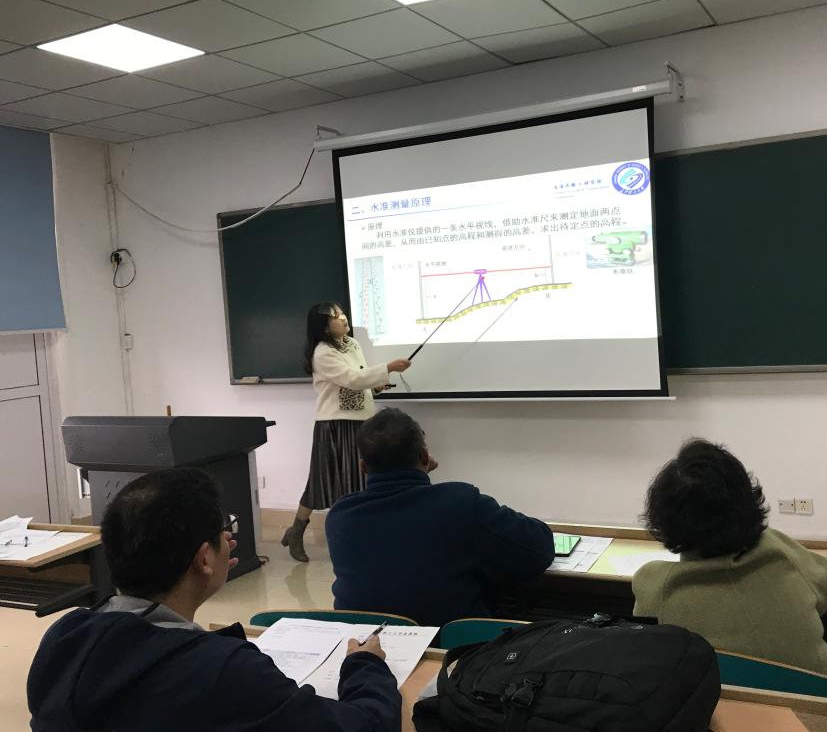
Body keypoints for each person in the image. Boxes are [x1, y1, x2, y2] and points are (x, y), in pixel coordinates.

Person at [27, 468, 401, 732]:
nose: (230, 540)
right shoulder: (226, 673)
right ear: (205, 558)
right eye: (225, 531)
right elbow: (365, 726)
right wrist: (365, 666)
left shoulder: (65, 638)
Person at [633, 438, 827, 676]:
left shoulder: (654, 585)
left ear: (664, 521)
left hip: (720, 698)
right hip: (817, 694)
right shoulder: (778, 550)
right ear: (746, 501)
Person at [326, 408, 555, 626]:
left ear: (363, 467)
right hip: (451, 647)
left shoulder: (340, 516)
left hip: (365, 645)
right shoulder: (461, 503)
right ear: (425, 456)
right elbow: (540, 549)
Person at [282, 302, 411, 562]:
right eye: (335, 316)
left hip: (361, 420)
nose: (343, 318)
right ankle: (297, 531)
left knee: (359, 481)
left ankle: (360, 535)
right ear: (324, 327)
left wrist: (376, 386)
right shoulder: (323, 352)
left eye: (341, 313)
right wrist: (388, 367)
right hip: (335, 424)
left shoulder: (352, 344)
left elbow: (360, 377)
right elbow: (351, 379)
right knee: (321, 482)